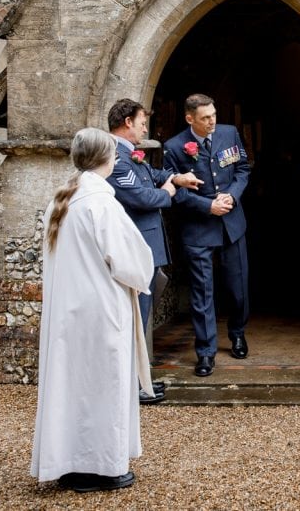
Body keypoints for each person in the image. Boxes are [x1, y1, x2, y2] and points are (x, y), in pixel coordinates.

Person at [30, 127, 155, 493]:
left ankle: (69, 462)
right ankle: (101, 467)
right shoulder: (102, 203)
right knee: (103, 385)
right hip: (101, 311)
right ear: (107, 159)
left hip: (68, 311)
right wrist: (143, 275)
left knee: (71, 385)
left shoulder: (62, 199)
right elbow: (131, 261)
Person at [106, 98, 202, 404]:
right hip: (134, 252)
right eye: (142, 122)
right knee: (133, 321)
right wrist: (169, 192)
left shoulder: (130, 156)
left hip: (145, 252)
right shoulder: (115, 160)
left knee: (140, 319)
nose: (145, 128)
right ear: (127, 123)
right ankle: (131, 389)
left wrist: (176, 178)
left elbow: (153, 174)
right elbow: (143, 197)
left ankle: (140, 383)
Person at [163, 93, 251, 377]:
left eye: (214, 114)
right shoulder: (174, 147)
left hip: (231, 225)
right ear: (190, 119)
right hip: (198, 229)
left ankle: (237, 333)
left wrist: (232, 197)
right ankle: (205, 352)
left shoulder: (229, 133)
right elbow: (174, 192)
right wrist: (207, 205)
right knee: (202, 294)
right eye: (205, 118)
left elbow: (242, 169)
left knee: (238, 289)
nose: (212, 121)